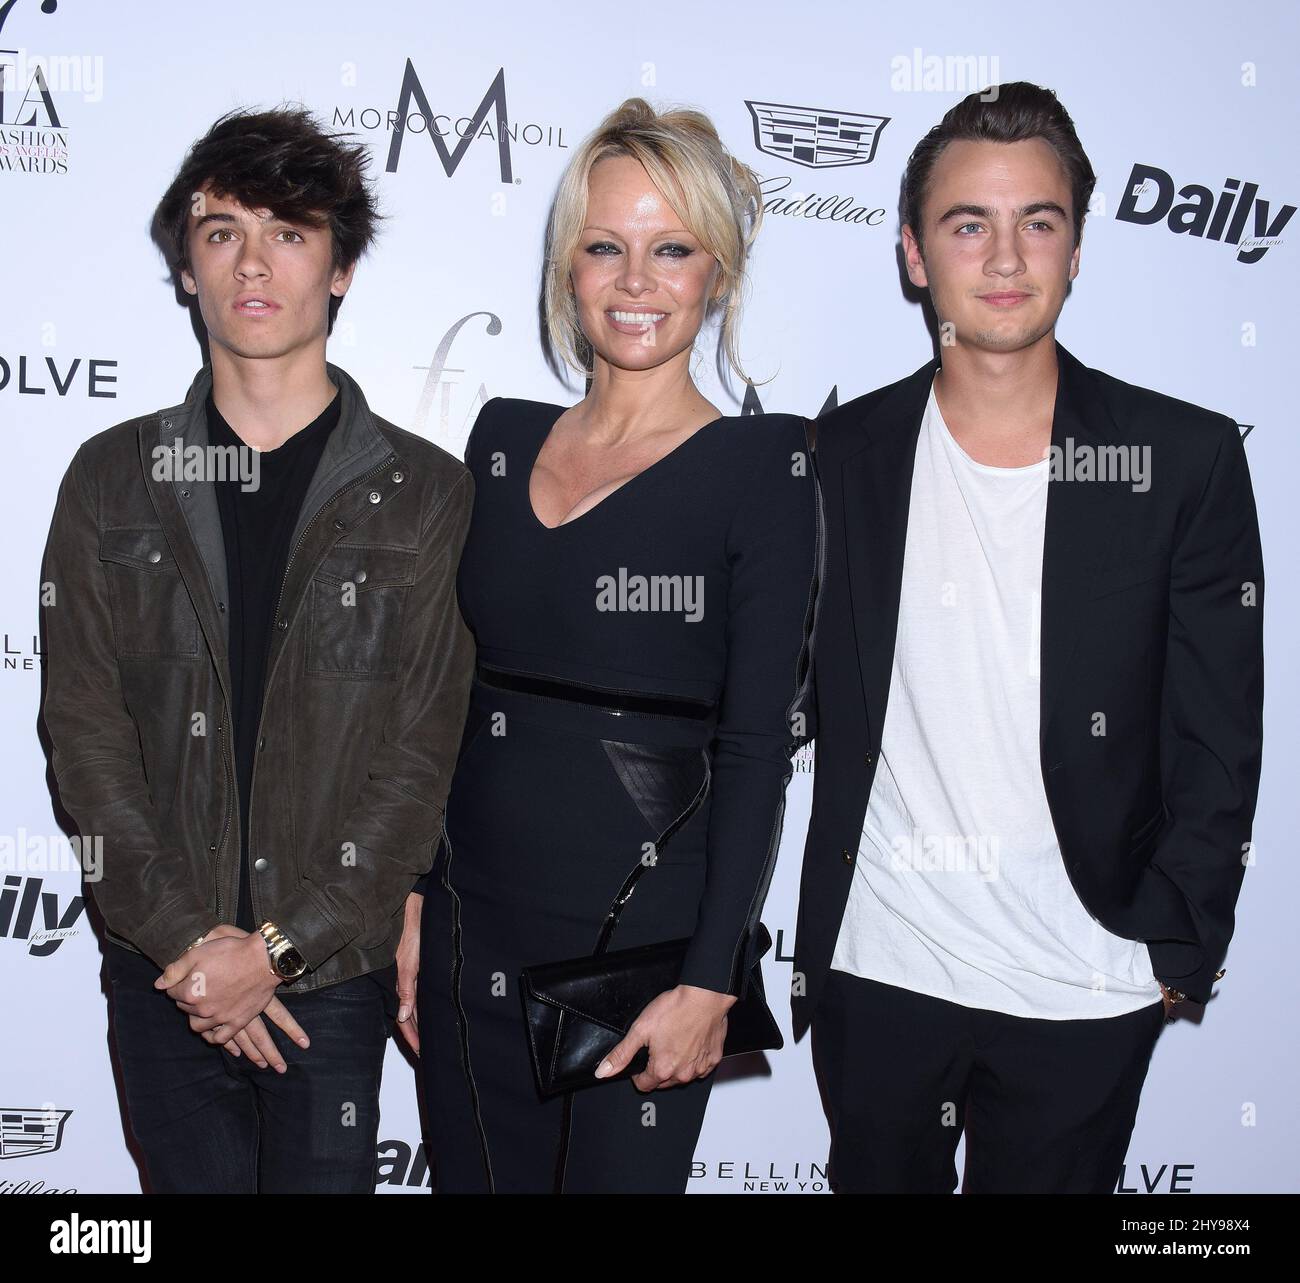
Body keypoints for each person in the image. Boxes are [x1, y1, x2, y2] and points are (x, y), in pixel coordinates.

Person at [792, 82, 1264, 1194]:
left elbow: (1217, 736)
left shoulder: (1180, 459)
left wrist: (1174, 942)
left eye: (1036, 221)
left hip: (1087, 974)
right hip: (882, 964)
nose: (1004, 256)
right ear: (913, 255)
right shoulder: (838, 455)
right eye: (968, 223)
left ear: (1077, 247)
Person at [39, 105, 476, 1194]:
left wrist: (273, 952)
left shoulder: (425, 494)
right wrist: (196, 948)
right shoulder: (111, 478)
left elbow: (421, 756)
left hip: (330, 976)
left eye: (290, 230)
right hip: (160, 969)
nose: (253, 260)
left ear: (341, 268)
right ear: (184, 268)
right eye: (222, 229)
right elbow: (83, 731)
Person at [394, 97, 819, 1194]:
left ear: (716, 272)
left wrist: (712, 975)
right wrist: (408, 902)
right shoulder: (498, 439)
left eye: (671, 249)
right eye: (605, 248)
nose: (636, 281)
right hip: (464, 928)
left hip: (645, 952)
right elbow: (441, 697)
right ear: (567, 268)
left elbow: (758, 743)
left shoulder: (763, 469)